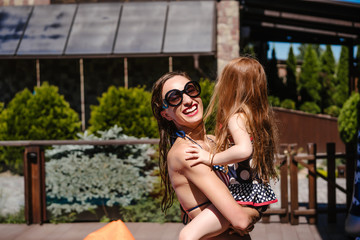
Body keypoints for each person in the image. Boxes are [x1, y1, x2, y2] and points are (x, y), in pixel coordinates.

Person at [151, 71, 260, 240]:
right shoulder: (186, 153)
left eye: (191, 90)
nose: (187, 100)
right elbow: (241, 220)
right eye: (174, 98)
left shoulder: (215, 141)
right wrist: (254, 211)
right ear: (165, 114)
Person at [182, 56, 279, 239]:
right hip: (254, 195)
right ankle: (247, 218)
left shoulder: (237, 118)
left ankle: (243, 219)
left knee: (188, 235)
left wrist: (209, 158)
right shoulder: (257, 118)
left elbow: (243, 150)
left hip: (240, 195)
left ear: (230, 86)